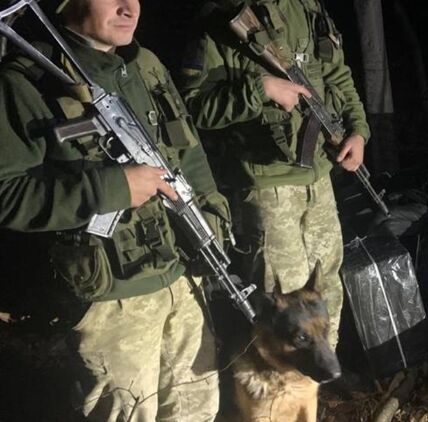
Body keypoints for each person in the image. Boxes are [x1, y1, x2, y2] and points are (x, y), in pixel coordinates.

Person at [0, 0, 229, 420]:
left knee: (196, 409)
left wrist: (209, 215)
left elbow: (189, 150)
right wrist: (112, 188)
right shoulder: (26, 80)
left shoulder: (145, 66)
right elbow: (8, 195)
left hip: (181, 276)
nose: (129, 8)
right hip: (112, 298)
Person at [181, 0, 371, 348]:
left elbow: (337, 75)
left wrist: (358, 130)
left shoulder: (308, 9)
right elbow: (192, 108)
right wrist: (260, 90)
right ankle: (282, 377)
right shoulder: (220, 20)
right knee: (283, 298)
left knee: (327, 285)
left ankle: (322, 368)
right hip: (267, 183)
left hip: (319, 175)